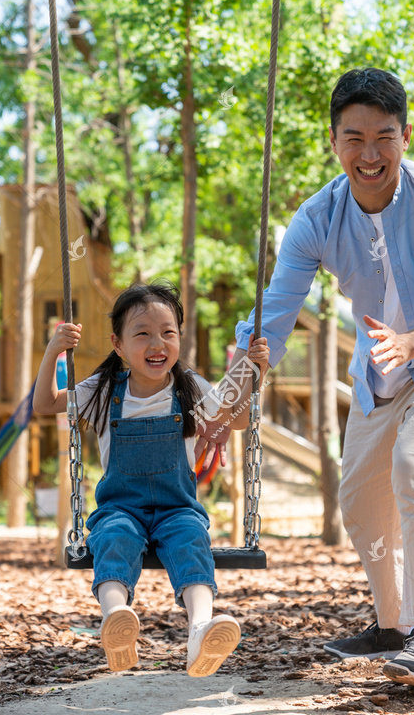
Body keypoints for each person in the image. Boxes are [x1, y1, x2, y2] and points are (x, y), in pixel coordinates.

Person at [196, 68, 414, 692]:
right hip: (381, 368)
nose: (370, 154)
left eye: (384, 137)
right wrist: (227, 405)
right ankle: (392, 626)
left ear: (406, 137)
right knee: (360, 498)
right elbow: (272, 319)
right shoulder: (315, 219)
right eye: (354, 138)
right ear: (334, 141)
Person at [34, 281, 270, 677]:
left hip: (177, 507)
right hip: (120, 507)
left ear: (180, 338)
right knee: (113, 538)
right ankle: (117, 621)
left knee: (192, 539)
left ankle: (200, 631)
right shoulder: (103, 390)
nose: (156, 343)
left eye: (167, 333)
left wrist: (253, 371)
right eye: (142, 334)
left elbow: (239, 418)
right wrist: (53, 351)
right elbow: (44, 404)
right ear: (119, 344)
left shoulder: (189, 387)